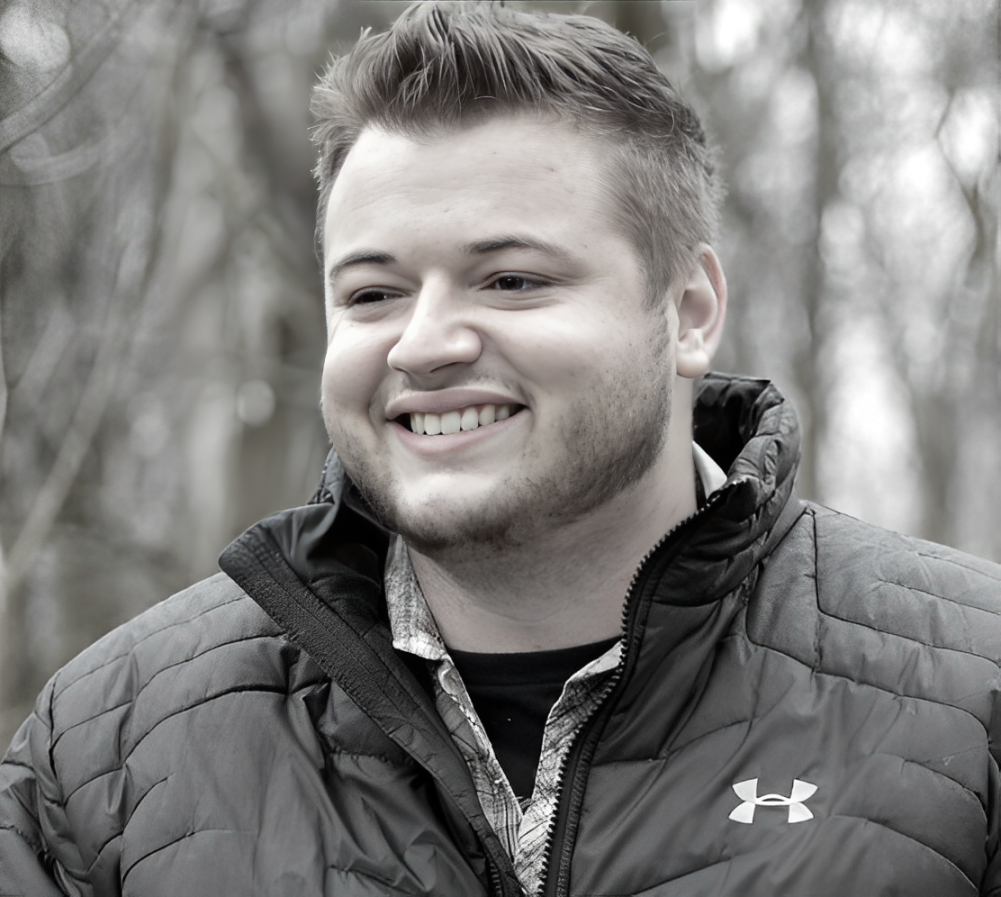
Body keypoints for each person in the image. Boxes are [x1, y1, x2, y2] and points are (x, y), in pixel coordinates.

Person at [2, 3, 1000, 895]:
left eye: (510, 281)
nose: (423, 345)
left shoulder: (970, 702)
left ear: (688, 313)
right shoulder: (104, 753)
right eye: (372, 294)